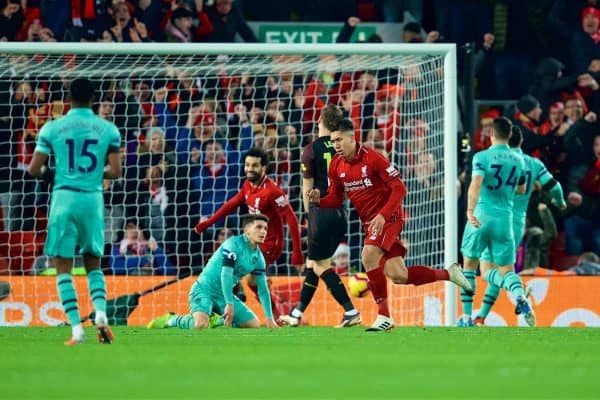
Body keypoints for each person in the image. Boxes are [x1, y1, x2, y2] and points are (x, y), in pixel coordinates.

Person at [308, 119, 473, 331]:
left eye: (339, 140)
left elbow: (399, 188)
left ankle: (384, 317)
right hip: (370, 223)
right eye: (333, 141)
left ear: (352, 138)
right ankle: (450, 274)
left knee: (367, 255)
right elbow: (336, 199)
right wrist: (318, 200)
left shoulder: (374, 159)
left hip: (390, 217)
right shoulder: (336, 166)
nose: (336, 145)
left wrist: (383, 215)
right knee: (399, 275)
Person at [28, 78, 122, 345]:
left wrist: (55, 175)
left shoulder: (52, 127)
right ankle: (101, 314)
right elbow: (115, 172)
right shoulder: (108, 129)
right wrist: (93, 175)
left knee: (63, 267)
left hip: (64, 198)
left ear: (69, 98)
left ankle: (77, 330)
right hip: (92, 199)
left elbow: (35, 169)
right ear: (94, 99)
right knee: (94, 263)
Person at [467, 126, 566, 326]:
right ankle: (481, 317)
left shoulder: (495, 160)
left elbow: (479, 185)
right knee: (502, 271)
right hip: (517, 225)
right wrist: (560, 202)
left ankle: (518, 291)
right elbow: (554, 186)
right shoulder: (533, 163)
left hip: (495, 218)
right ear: (521, 142)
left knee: (487, 272)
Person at [194, 147, 303, 320]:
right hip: (253, 242)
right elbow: (231, 204)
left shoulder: (273, 191)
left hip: (270, 243)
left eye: (255, 165)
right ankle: (262, 310)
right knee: (233, 268)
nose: (250, 169)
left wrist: (297, 252)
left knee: (239, 272)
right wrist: (208, 222)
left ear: (264, 168)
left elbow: (291, 219)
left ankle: (262, 313)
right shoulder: (247, 185)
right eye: (247, 165)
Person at [279, 105, 360, 328]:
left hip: (320, 212)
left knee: (319, 264)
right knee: (314, 263)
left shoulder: (310, 150)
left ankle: (351, 310)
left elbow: (307, 190)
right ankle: (296, 314)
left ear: (321, 122)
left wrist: (310, 216)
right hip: (341, 213)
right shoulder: (344, 148)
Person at [459, 117, 536, 328]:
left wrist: (469, 210)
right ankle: (519, 293)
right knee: (506, 270)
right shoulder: (519, 160)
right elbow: (520, 190)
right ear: (510, 135)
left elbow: (475, 184)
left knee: (469, 267)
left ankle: (467, 318)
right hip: (505, 221)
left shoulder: (482, 156)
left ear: (492, 134)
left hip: (482, 216)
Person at [147, 214, 278, 329]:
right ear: (247, 230)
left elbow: (262, 289)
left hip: (223, 295)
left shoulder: (259, 258)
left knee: (253, 324)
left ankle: (218, 320)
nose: (263, 232)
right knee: (200, 325)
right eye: (259, 227)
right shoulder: (233, 244)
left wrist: (269, 319)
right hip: (205, 290)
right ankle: (171, 320)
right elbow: (225, 274)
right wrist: (229, 304)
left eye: (265, 228)